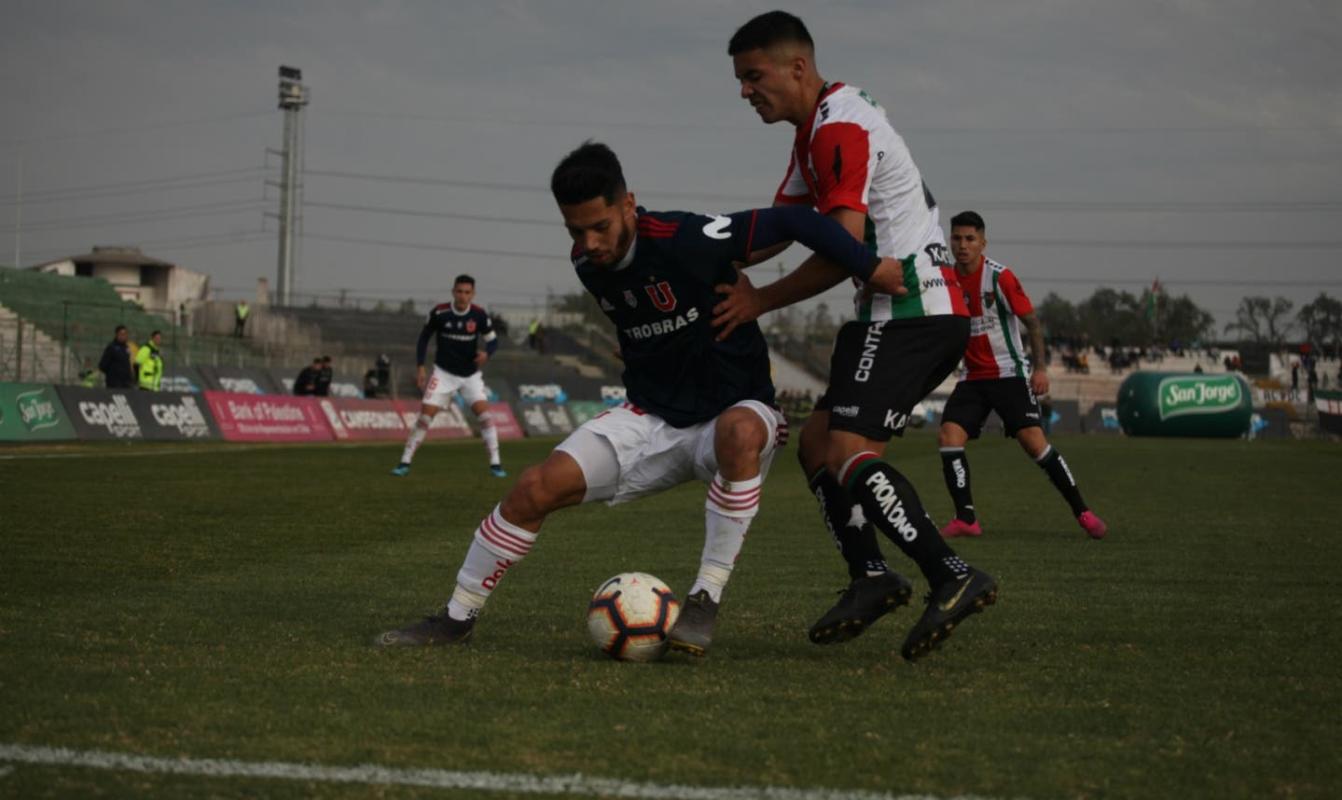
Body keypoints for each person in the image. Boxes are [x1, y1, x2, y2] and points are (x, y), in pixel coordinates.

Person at [377, 140, 909, 654]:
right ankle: (456, 618)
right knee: (534, 488)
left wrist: (869, 266)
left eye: (600, 226)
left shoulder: (686, 237)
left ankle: (704, 599)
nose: (589, 243)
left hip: (735, 409)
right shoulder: (587, 264)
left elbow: (794, 221)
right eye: (576, 230)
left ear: (629, 204)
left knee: (740, 430)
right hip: (651, 418)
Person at [717, 11, 995, 661]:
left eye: (753, 76)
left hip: (911, 310)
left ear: (797, 68)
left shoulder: (838, 127)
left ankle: (951, 574)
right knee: (817, 445)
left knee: (846, 450)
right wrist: (690, 251)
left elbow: (841, 247)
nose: (745, 92)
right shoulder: (814, 130)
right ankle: (871, 576)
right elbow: (775, 229)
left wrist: (758, 301)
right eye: (739, 80)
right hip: (896, 312)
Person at [936, 211, 1107, 540]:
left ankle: (1083, 512)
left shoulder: (999, 277)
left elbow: (1033, 323)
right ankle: (966, 518)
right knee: (948, 437)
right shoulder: (946, 278)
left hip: (1009, 373)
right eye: (956, 238)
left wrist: (1039, 368)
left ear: (983, 243)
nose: (962, 245)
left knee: (1035, 444)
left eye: (970, 239)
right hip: (972, 377)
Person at [391, 276, 505, 478]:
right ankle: (404, 462)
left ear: (473, 294)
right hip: (443, 373)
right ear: (453, 292)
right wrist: (420, 367)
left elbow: (493, 341)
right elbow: (423, 339)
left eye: (467, 292)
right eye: (459, 291)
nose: (463, 296)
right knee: (425, 417)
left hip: (470, 375)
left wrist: (487, 353)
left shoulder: (478, 315)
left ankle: (496, 465)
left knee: (485, 417)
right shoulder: (440, 313)